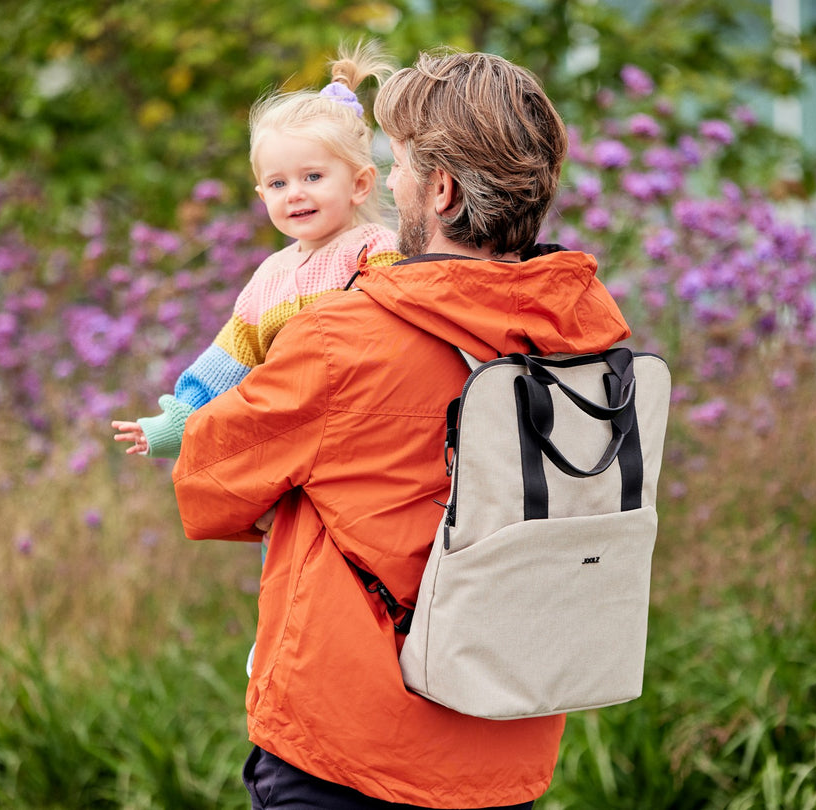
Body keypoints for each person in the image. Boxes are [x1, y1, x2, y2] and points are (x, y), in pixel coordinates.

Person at [173, 50, 633, 810]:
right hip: (505, 736)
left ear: (442, 190)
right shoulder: (584, 336)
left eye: (400, 166)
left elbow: (207, 479)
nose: (388, 184)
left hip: (343, 747)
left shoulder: (339, 337)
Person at [111, 40, 401, 461]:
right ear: (262, 196)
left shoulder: (375, 249)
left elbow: (397, 334)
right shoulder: (270, 276)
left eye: (313, 176)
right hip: (294, 442)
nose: (295, 194)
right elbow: (230, 357)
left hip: (367, 433)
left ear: (359, 183)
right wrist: (181, 420)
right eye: (279, 184)